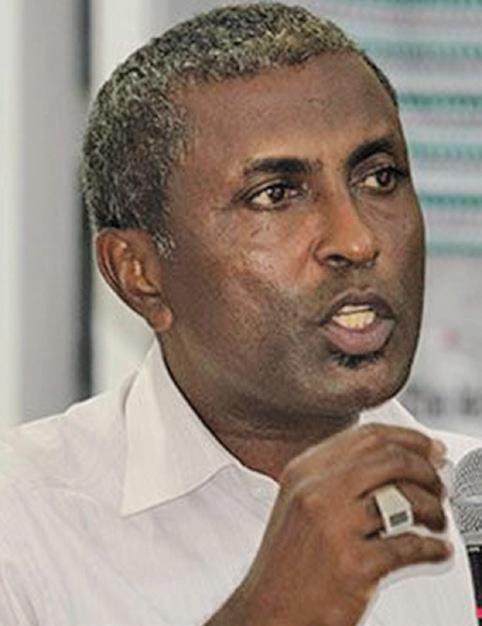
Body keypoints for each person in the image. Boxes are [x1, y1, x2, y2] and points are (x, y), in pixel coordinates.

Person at [0, 3, 478, 625]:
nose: (358, 240)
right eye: (275, 195)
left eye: (380, 177)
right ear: (139, 273)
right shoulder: (23, 526)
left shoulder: (466, 502)